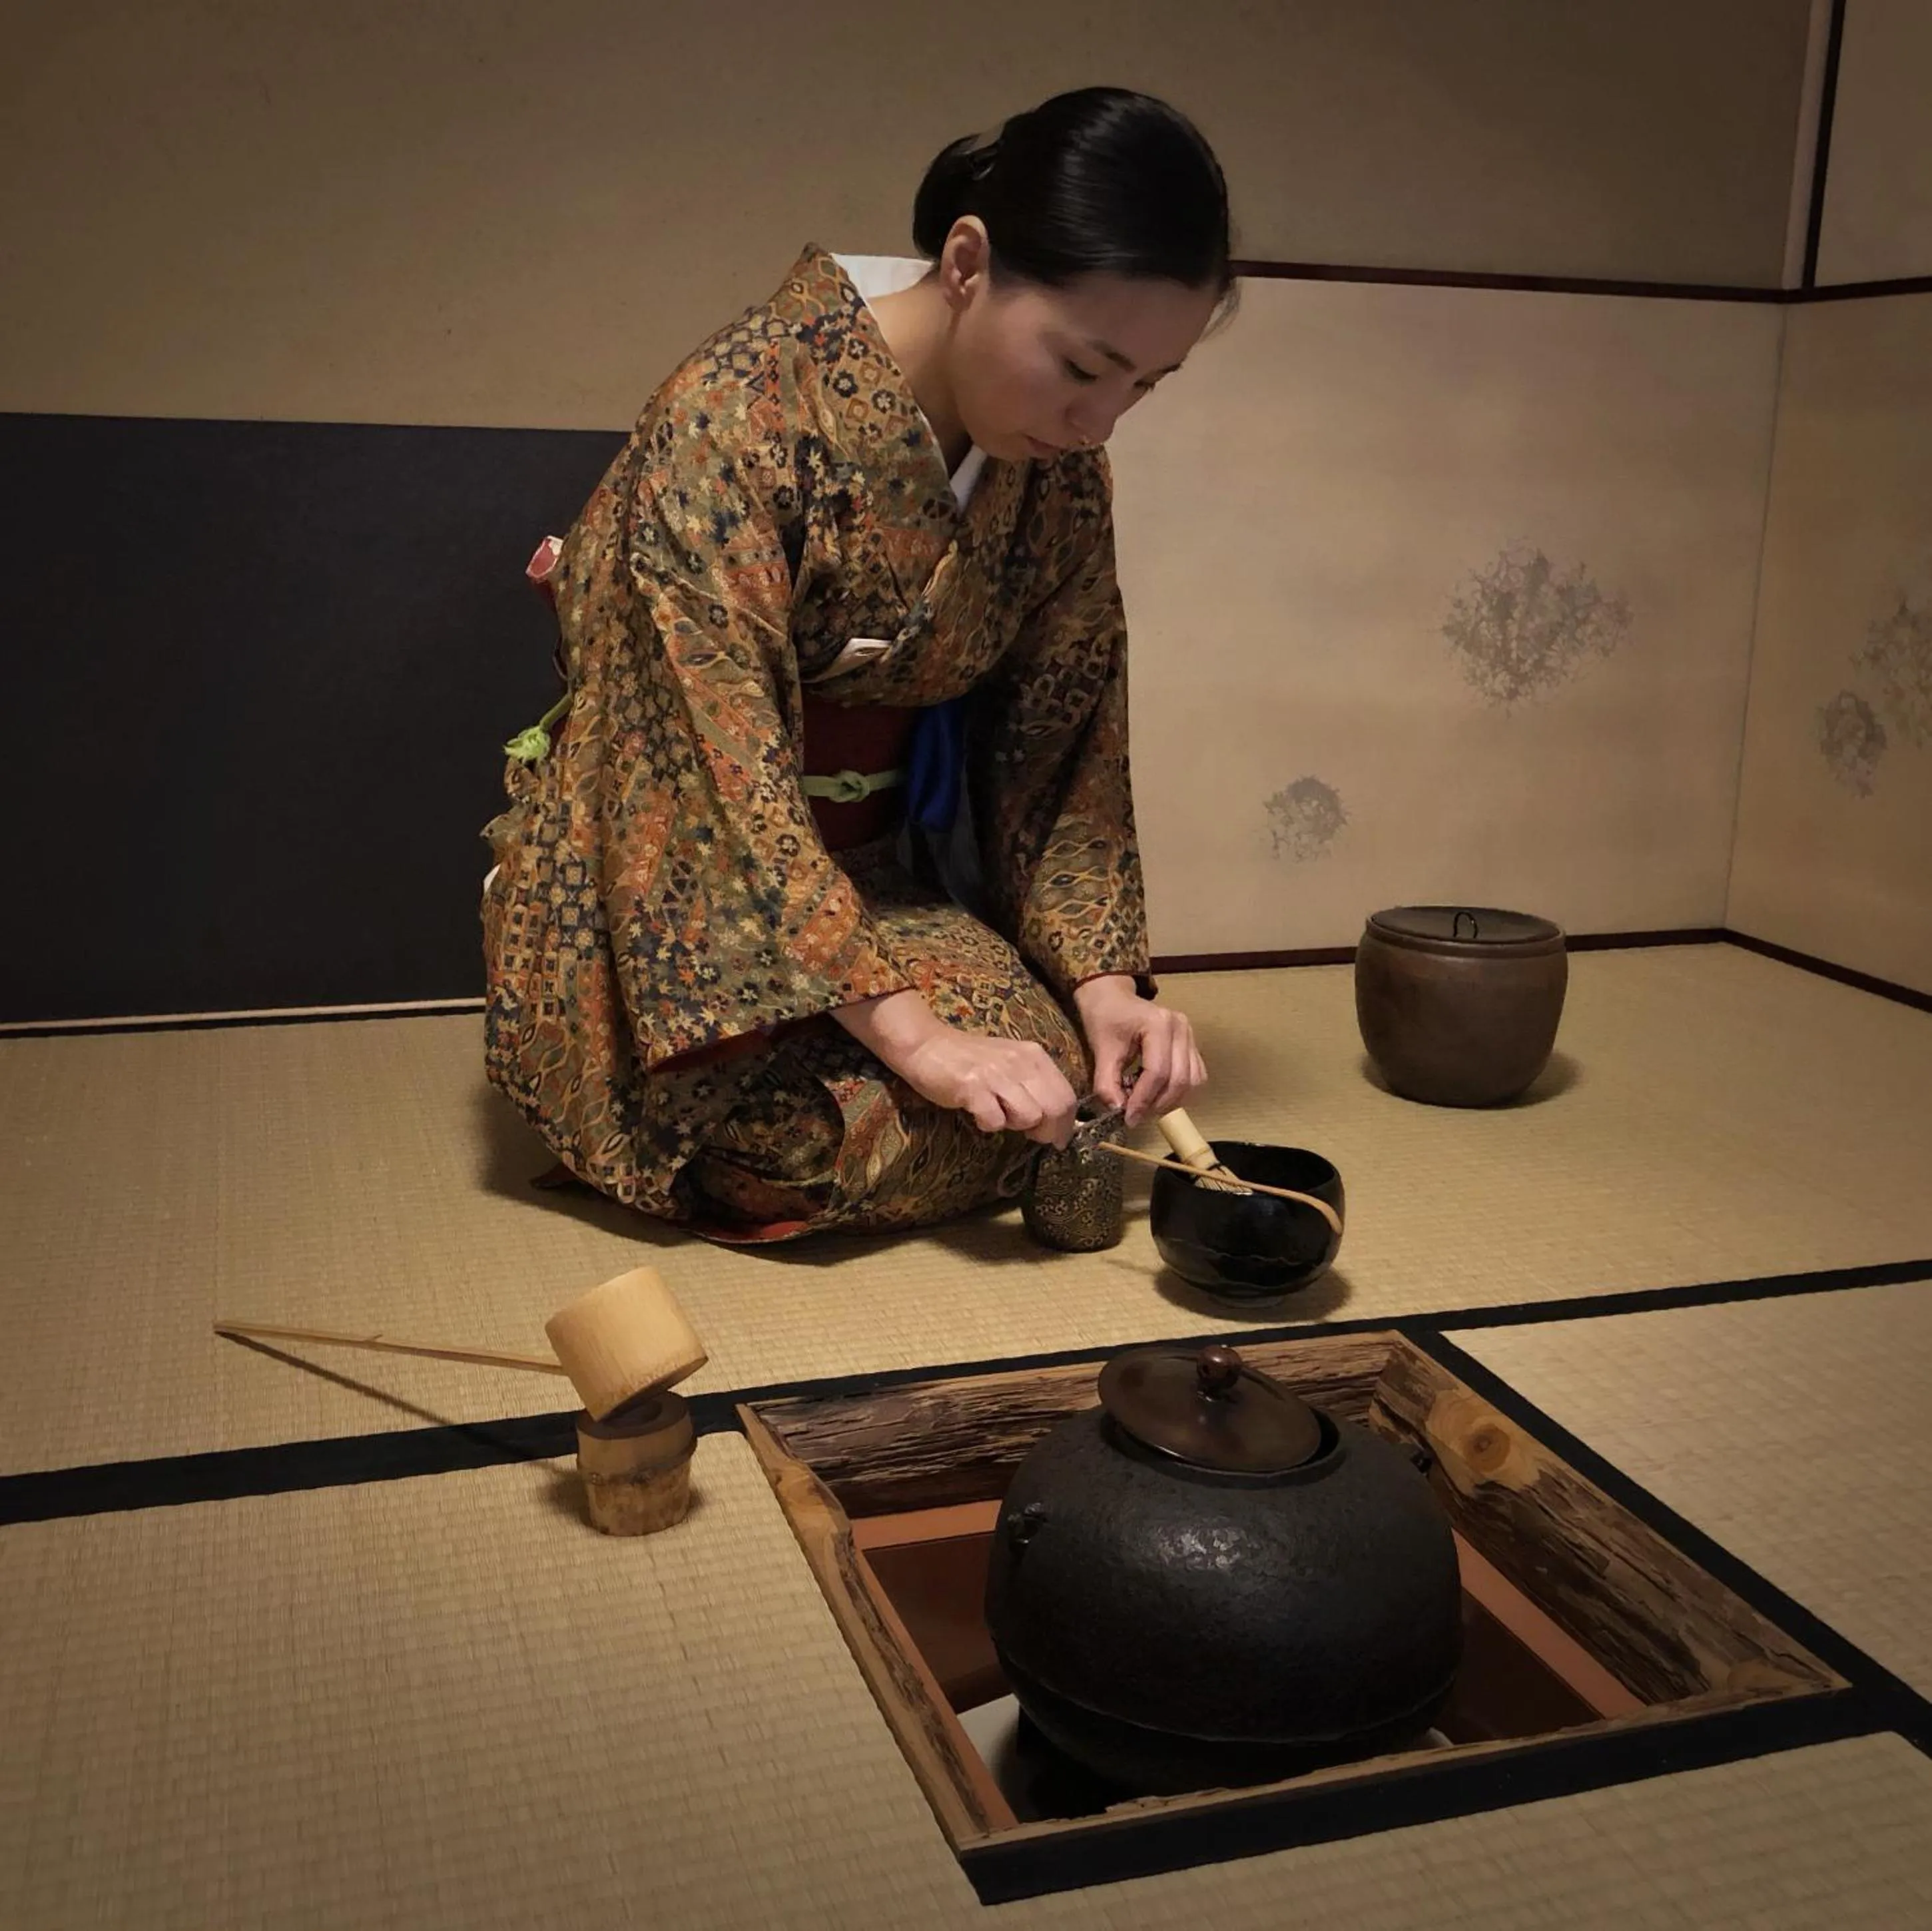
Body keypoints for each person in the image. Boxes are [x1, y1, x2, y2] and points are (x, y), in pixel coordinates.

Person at [482, 86, 1234, 1244]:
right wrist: (920, 1038)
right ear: (970, 263)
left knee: (1056, 1087)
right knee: (798, 1141)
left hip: (876, 878)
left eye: (1143, 386)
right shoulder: (731, 419)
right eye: (1084, 366)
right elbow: (709, 774)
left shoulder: (1062, 476)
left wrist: (1107, 991)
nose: (1101, 422)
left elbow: (1066, 743)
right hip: (664, 882)